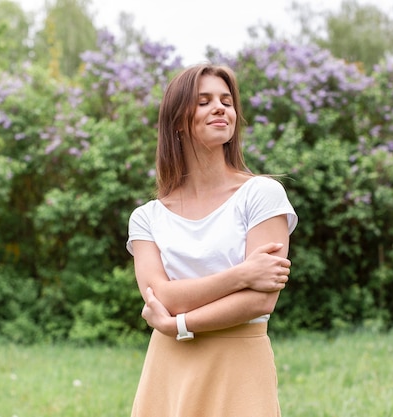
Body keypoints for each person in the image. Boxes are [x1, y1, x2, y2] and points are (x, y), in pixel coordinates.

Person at [126, 63, 298, 417]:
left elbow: (259, 302)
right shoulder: (146, 218)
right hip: (168, 366)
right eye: (203, 101)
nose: (220, 108)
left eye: (226, 101)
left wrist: (180, 325)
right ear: (177, 121)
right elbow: (161, 297)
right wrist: (242, 275)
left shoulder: (262, 195)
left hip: (240, 366)